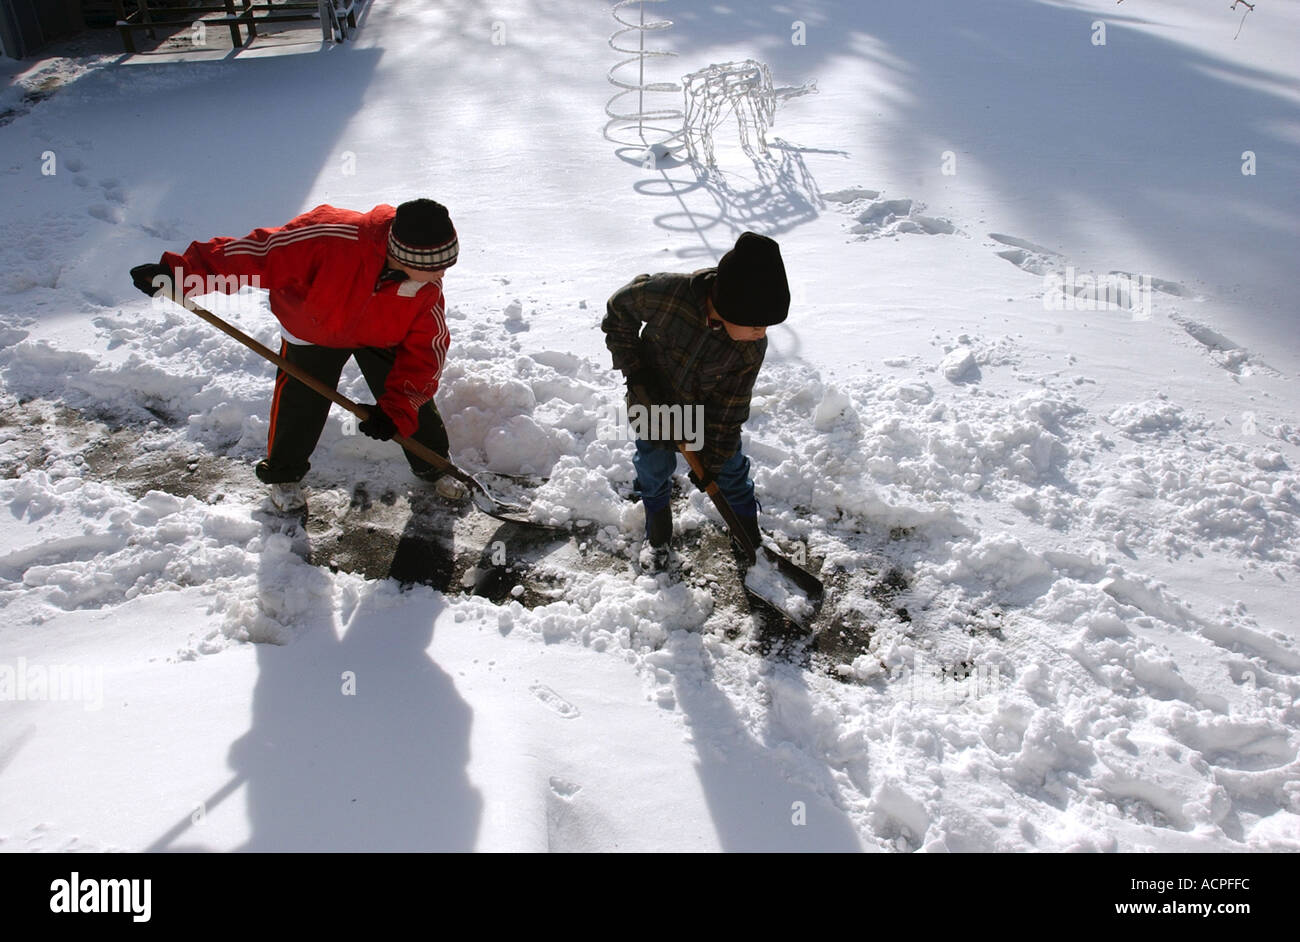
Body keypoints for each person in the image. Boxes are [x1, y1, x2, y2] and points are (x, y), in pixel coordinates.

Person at [129, 199, 465, 512]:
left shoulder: (426, 287)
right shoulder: (329, 238)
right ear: (405, 258)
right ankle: (283, 477)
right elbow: (255, 256)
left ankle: (436, 466)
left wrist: (396, 410)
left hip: (383, 334)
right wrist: (181, 273)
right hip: (312, 327)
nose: (442, 275)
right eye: (438, 267)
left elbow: (424, 355)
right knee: (300, 403)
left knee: (413, 400)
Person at [601, 231, 789, 565]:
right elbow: (618, 313)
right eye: (755, 323)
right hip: (651, 403)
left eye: (767, 325)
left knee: (730, 470)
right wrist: (637, 373)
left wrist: (711, 462)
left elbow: (729, 414)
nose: (762, 332)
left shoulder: (750, 348)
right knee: (652, 466)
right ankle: (657, 532)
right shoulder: (668, 295)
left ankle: (747, 534)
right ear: (728, 304)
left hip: (704, 415)